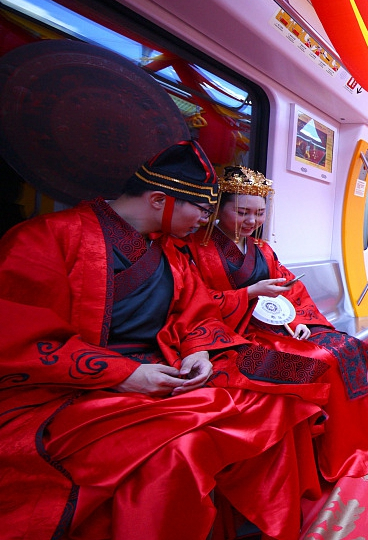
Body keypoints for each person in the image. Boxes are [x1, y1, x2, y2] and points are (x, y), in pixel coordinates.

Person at [0, 141, 329, 540]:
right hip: (75, 385)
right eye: (203, 210)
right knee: (183, 450)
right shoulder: (46, 237)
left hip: (171, 362)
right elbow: (19, 334)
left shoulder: (168, 249)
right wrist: (124, 374)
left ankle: (262, 521)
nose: (206, 220)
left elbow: (195, 311)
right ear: (159, 199)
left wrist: (199, 351)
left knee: (296, 378)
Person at [184, 167, 368, 481]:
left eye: (259, 213)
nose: (251, 221)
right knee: (319, 361)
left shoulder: (262, 249)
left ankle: (354, 443)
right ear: (219, 208)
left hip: (278, 326)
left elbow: (289, 288)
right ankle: (330, 451)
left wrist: (299, 320)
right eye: (242, 212)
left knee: (345, 347)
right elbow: (194, 302)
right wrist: (248, 294)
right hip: (231, 337)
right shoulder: (195, 249)